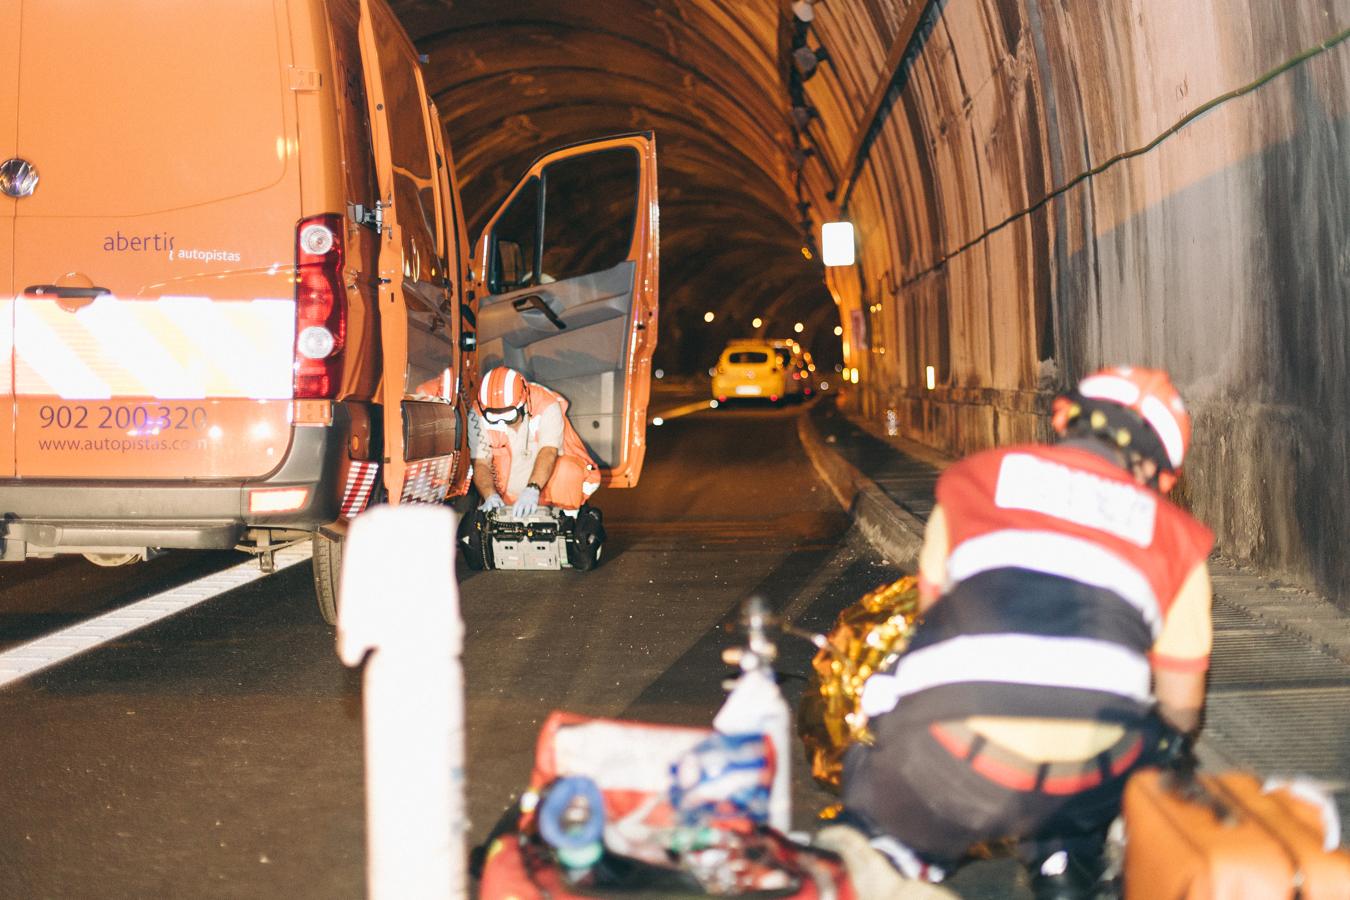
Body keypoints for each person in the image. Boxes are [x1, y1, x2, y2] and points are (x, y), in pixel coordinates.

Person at [836, 366, 1214, 898]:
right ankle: (1066, 861)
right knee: (1145, 747)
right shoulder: (1180, 538)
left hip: (948, 751)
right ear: (1161, 467)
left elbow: (935, 616)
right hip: (1089, 774)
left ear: (1067, 421)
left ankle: (891, 851)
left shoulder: (975, 478)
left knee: (882, 723)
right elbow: (1182, 709)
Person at [469, 365, 601, 517]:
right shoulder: (477, 414)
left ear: (523, 402)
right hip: (508, 493)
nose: (502, 423)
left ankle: (568, 520)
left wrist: (532, 488)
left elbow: (548, 451)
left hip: (547, 489)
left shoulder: (547, 404)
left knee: (568, 470)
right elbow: (480, 462)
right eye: (494, 417)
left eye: (509, 416)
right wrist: (490, 495)